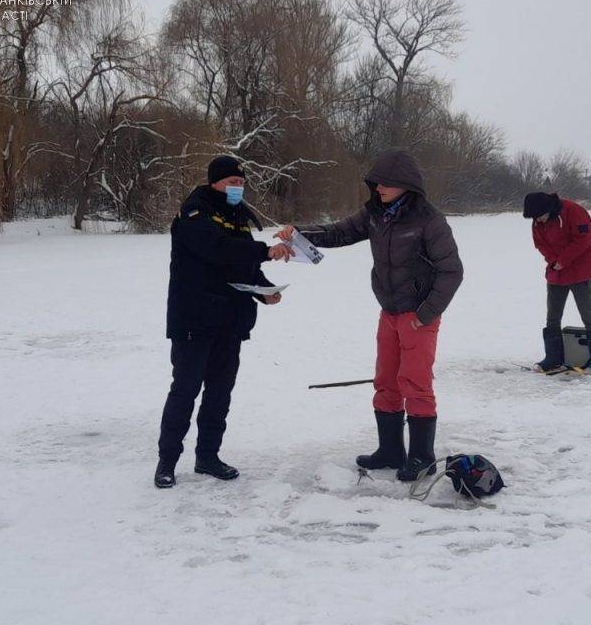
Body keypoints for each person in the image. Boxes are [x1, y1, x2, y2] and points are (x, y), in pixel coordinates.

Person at [275, 150, 463, 481]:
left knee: (415, 383)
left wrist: (427, 312)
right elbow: (338, 232)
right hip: (389, 311)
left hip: (419, 315)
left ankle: (422, 456)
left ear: (406, 185)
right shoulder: (375, 213)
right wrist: (299, 232)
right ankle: (390, 450)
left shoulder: (429, 220)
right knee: (386, 381)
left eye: (385, 183)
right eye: (375, 183)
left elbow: (452, 271)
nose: (378, 188)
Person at [155, 155, 294, 488]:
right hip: (195, 318)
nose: (238, 188)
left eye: (242, 183)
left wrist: (263, 290)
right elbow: (217, 250)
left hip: (230, 320)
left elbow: (240, 262)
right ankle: (167, 462)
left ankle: (208, 457)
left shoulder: (238, 215)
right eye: (232, 182)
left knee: (219, 393)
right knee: (185, 391)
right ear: (214, 181)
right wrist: (266, 251)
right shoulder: (194, 211)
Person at [523, 191, 591, 377]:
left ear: (548, 209)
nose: (539, 221)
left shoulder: (573, 211)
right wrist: (555, 261)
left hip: (580, 270)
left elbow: (585, 238)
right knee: (552, 315)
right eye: (536, 218)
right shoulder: (538, 220)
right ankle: (553, 358)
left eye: (541, 216)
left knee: (588, 315)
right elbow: (540, 244)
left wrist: (564, 260)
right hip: (556, 272)